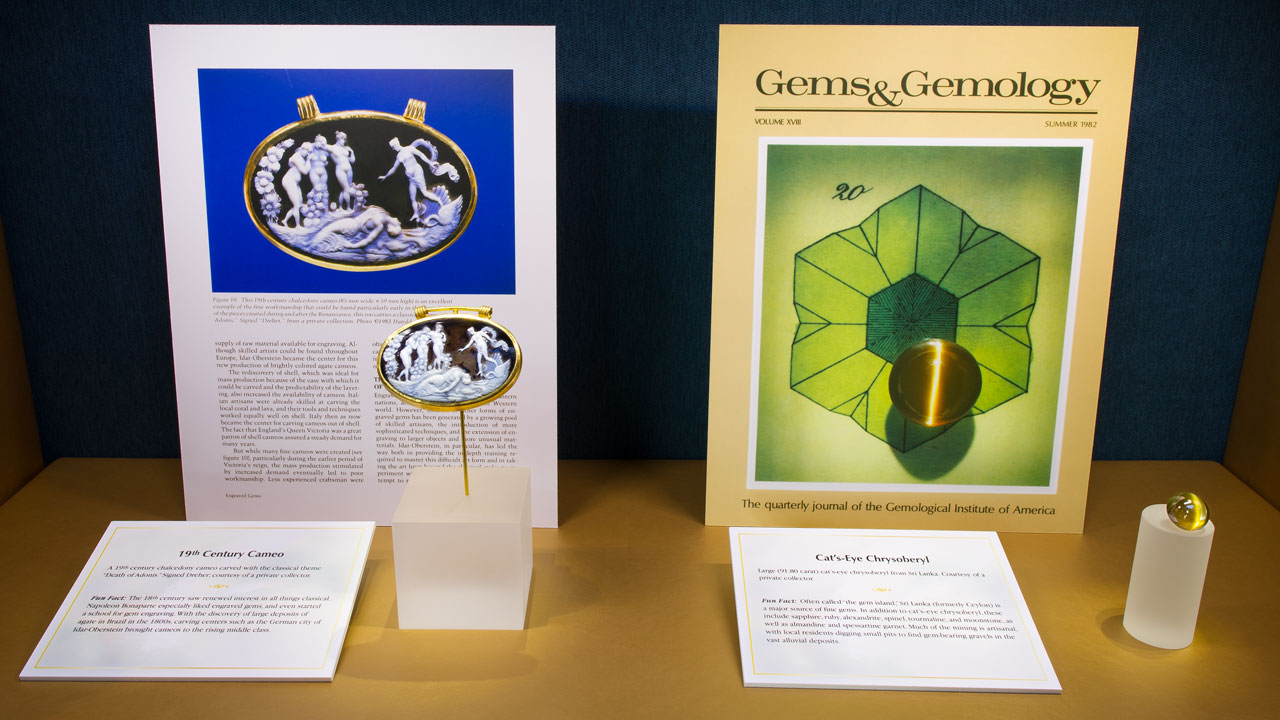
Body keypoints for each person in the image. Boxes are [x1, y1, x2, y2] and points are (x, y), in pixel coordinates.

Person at [379, 137, 444, 223]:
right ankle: (416, 214)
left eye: (393, 147)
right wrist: (385, 176)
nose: (394, 149)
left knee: (424, 192)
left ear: (396, 145)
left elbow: (421, 155)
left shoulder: (409, 148)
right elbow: (393, 168)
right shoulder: (399, 156)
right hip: (411, 177)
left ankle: (440, 202)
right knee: (412, 197)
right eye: (393, 148)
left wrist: (430, 163)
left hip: (417, 172)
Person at [280, 142, 312, 227]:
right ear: (303, 149)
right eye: (308, 151)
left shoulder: (300, 157)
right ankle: (297, 226)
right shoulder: (296, 157)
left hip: (294, 182)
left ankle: (284, 221)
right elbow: (305, 171)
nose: (307, 154)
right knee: (297, 205)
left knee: (299, 204)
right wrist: (308, 160)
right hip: (289, 181)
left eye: (309, 152)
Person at [330, 131, 357, 210]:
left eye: (345, 139)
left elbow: (352, 161)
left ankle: (341, 207)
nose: (344, 141)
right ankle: (348, 207)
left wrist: (352, 152)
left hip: (349, 168)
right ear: (338, 139)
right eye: (343, 139)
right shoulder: (332, 147)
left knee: (346, 188)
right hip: (340, 169)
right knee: (346, 189)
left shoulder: (345, 148)